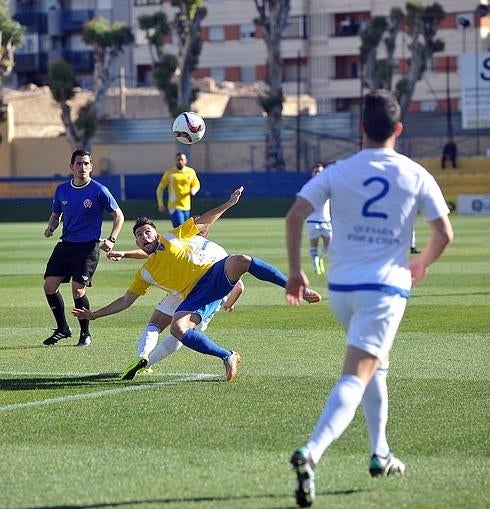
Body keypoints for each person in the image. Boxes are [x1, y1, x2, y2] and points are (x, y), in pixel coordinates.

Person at [285, 90, 453, 508]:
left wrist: (295, 270)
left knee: (377, 366)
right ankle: (312, 452)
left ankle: (380, 454)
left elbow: (295, 215)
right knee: (356, 375)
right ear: (398, 129)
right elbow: (444, 232)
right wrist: (423, 263)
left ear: (360, 129)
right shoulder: (414, 173)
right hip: (383, 290)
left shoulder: (339, 170)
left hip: (341, 291)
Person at [73, 187, 321, 382]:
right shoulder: (146, 272)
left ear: (155, 233)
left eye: (147, 231)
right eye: (139, 235)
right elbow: (126, 301)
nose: (143, 236)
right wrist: (95, 314)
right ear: (138, 243)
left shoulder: (173, 236)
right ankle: (228, 355)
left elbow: (204, 220)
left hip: (214, 274)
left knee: (242, 260)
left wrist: (229, 203)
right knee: (177, 330)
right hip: (195, 295)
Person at [106, 235, 245, 380]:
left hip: (191, 292)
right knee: (181, 332)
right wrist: (230, 303)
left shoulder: (184, 240)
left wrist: (125, 254)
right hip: (196, 291)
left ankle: (143, 358)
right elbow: (239, 286)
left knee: (160, 325)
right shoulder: (214, 249)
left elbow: (154, 251)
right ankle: (145, 363)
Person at [43, 150, 125, 347]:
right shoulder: (62, 189)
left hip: (88, 247)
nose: (83, 167)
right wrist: (51, 227)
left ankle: (85, 333)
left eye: (86, 163)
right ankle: (63, 328)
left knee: (78, 292)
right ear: (71, 167)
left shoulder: (99, 190)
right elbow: (56, 214)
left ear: (91, 166)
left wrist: (112, 239)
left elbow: (119, 215)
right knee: (49, 287)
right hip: (66, 245)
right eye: (79, 164)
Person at [156, 152, 200, 227]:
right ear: (175, 161)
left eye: (182, 159)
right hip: (174, 206)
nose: (180, 161)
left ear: (186, 161)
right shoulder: (170, 173)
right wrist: (160, 204)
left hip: (187, 206)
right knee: (180, 227)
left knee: (185, 230)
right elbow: (160, 189)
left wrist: (194, 190)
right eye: (178, 160)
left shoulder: (191, 172)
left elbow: (197, 184)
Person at [306, 162, 333, 275]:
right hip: (313, 220)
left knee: (329, 243)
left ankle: (319, 258)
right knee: (314, 245)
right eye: (316, 172)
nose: (318, 173)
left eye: (320, 172)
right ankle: (315, 263)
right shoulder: (309, 186)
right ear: (312, 173)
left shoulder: (328, 185)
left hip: (326, 220)